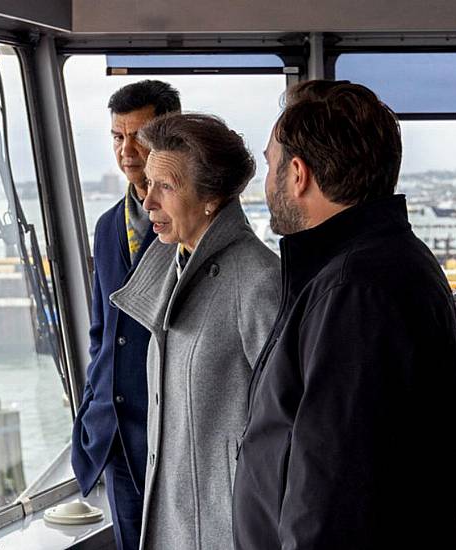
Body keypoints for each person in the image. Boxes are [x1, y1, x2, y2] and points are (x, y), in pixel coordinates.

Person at [232, 80, 456, 549]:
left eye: (271, 163)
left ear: (298, 174)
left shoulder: (354, 290)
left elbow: (332, 497)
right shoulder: (375, 266)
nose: (267, 179)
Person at [111, 112, 280, 549]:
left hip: (228, 530)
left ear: (212, 198)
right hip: (173, 521)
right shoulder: (171, 265)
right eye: (148, 185)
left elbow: (289, 432)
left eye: (165, 187)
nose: (148, 202)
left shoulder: (260, 282)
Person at [71, 80, 180, 550]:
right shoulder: (106, 226)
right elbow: (101, 329)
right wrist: (92, 401)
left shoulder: (192, 223)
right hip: (115, 432)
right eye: (118, 136)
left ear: (171, 137)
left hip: (171, 433)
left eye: (141, 135)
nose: (128, 149)